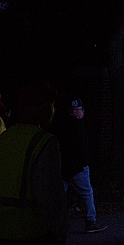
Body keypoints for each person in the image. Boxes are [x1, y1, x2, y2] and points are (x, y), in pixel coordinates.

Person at [0, 81, 68, 245]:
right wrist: (60, 229)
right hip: (34, 234)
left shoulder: (4, 139)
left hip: (1, 231)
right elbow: (50, 195)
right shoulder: (44, 142)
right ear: (43, 108)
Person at [49, 97, 108, 233]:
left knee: (58, 196)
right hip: (77, 168)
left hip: (64, 167)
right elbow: (81, 148)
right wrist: (83, 163)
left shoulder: (60, 126)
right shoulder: (77, 126)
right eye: (80, 109)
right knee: (87, 193)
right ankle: (91, 221)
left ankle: (53, 223)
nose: (82, 112)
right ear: (74, 111)